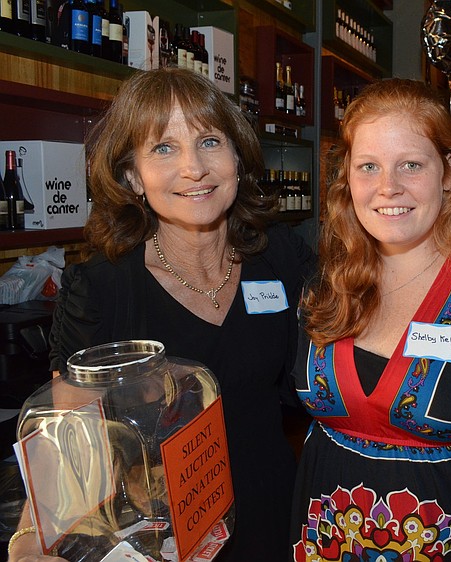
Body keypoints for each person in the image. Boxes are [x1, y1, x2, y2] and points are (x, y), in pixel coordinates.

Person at [7, 68, 314, 562]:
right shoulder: (103, 289)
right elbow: (66, 445)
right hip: (163, 537)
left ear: (237, 156)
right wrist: (28, 541)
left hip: (276, 513)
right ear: (132, 175)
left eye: (210, 141)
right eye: (163, 149)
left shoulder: (280, 256)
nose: (194, 168)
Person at [289, 78, 451, 560]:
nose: (389, 187)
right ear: (348, 175)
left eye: (411, 164)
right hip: (324, 541)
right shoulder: (327, 278)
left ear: (449, 171)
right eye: (369, 166)